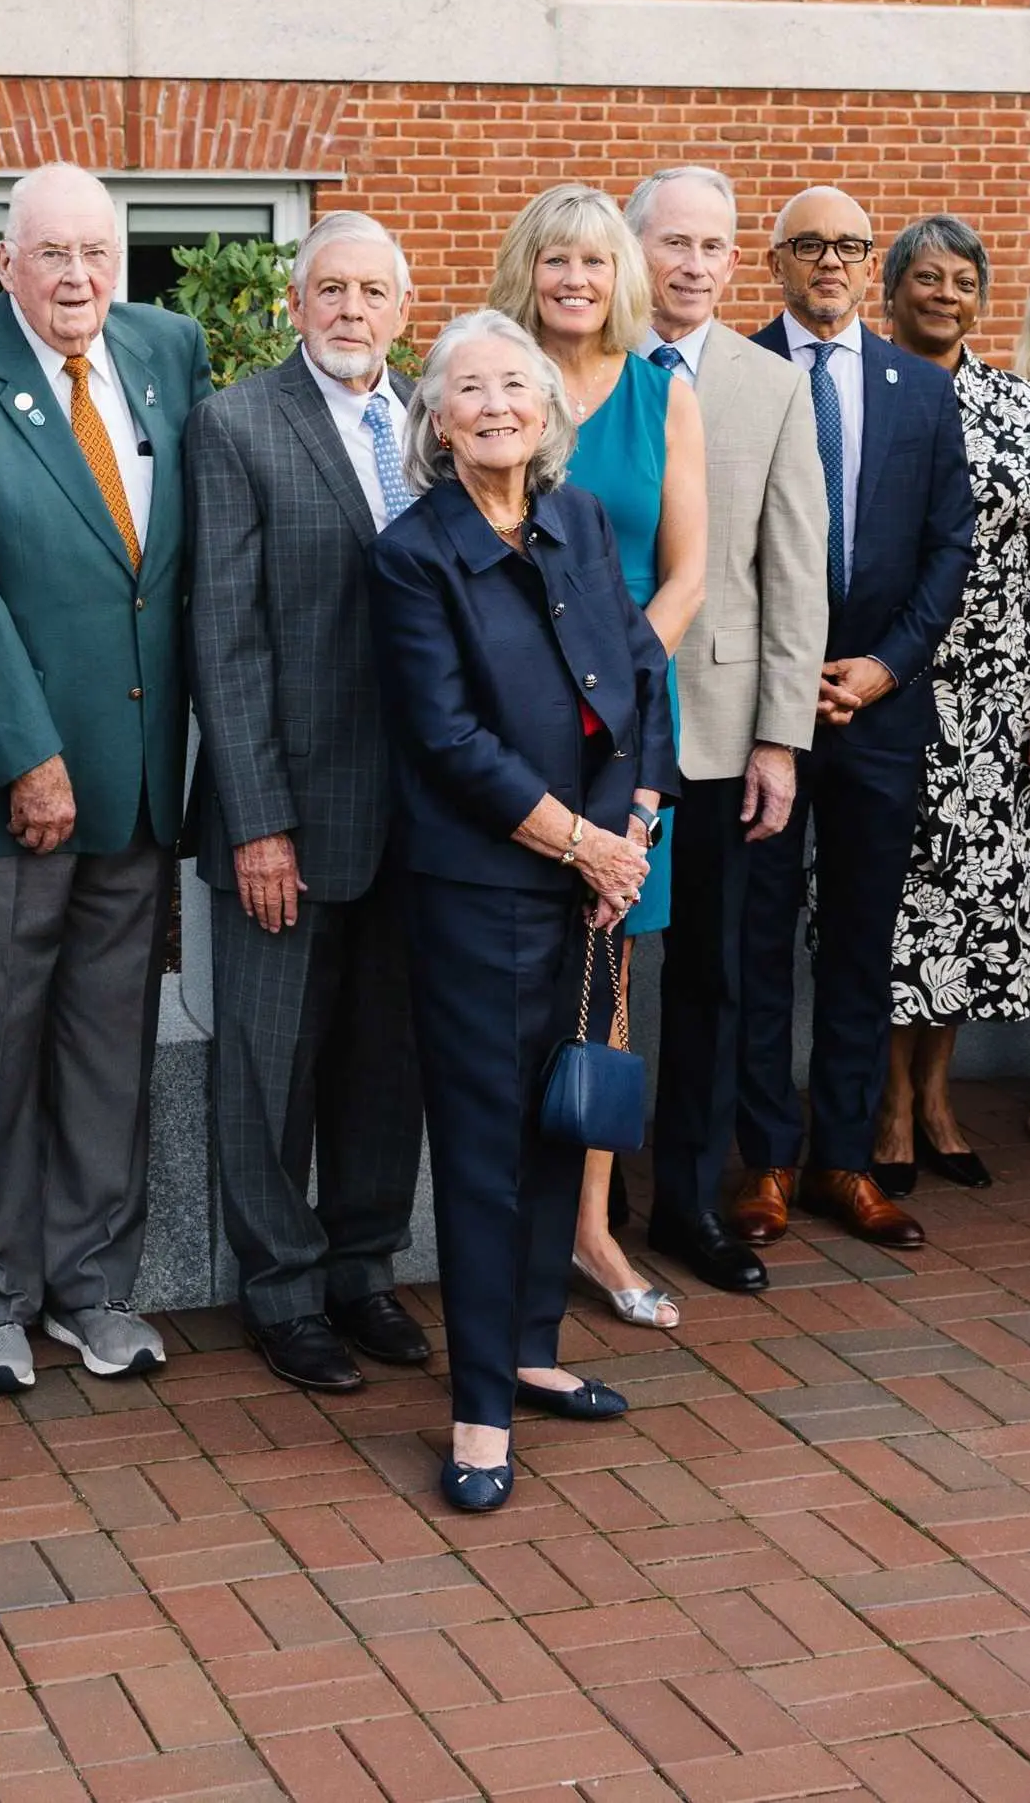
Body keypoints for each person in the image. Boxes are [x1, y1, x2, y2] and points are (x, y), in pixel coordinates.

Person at [0, 164, 207, 1392]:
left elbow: (175, 564)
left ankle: (92, 1286)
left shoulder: (168, 349)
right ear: (3, 262)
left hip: (135, 785)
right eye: (50, 255)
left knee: (105, 1049)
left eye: (96, 252)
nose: (77, 278)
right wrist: (26, 754)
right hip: (7, 786)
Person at [368, 311, 674, 1515]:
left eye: (515, 386)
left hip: (594, 880)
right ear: (437, 420)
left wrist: (632, 826)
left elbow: (639, 677)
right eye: (470, 388)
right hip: (483, 889)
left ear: (544, 413)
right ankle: (479, 1407)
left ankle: (534, 1346)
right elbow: (445, 737)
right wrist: (582, 841)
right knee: (490, 1139)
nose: (496, 404)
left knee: (560, 1120)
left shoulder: (581, 520)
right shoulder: (412, 554)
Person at [187, 210, 440, 1392]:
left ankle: (362, 1270)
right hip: (289, 813)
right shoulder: (237, 425)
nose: (348, 310)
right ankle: (282, 1292)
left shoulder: (433, 424)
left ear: (402, 307)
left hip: (425, 815)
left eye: (370, 292)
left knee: (387, 1061)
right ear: (294, 306)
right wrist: (255, 820)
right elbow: (223, 637)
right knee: (266, 1063)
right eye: (327, 290)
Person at [723, 186, 975, 1253]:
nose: (830, 262)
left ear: (869, 265)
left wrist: (883, 667)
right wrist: (784, 677)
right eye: (809, 245)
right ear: (774, 262)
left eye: (849, 247)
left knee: (863, 943)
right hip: (759, 713)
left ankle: (843, 1160)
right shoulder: (726, 377)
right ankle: (765, 1162)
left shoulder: (918, 390)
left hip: (877, 709)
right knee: (756, 940)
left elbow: (948, 547)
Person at [620, 166, 830, 1302]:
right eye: (672, 244)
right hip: (591, 734)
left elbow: (793, 570)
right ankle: (582, 1202)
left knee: (711, 976)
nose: (693, 266)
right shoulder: (573, 364)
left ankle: (688, 1201)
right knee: (587, 977)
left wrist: (778, 738)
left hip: (721, 736)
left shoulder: (766, 383)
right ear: (631, 244)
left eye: (713, 247)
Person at [497, 185, 704, 1325]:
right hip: (510, 713)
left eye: (592, 260)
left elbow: (686, 572)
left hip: (627, 714)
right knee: (516, 956)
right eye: (554, 259)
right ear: (525, 268)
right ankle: (506, 1219)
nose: (573, 279)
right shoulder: (489, 372)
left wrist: (614, 687)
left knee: (607, 974)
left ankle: (588, 1230)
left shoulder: (661, 389)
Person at [874, 215, 1030, 1193]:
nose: (943, 293)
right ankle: (885, 1104)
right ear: (892, 291)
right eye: (924, 277)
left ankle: (936, 1094)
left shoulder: (1020, 408)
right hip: (887, 689)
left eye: (961, 279)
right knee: (891, 906)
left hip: (1000, 703)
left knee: (966, 908)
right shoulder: (857, 393)